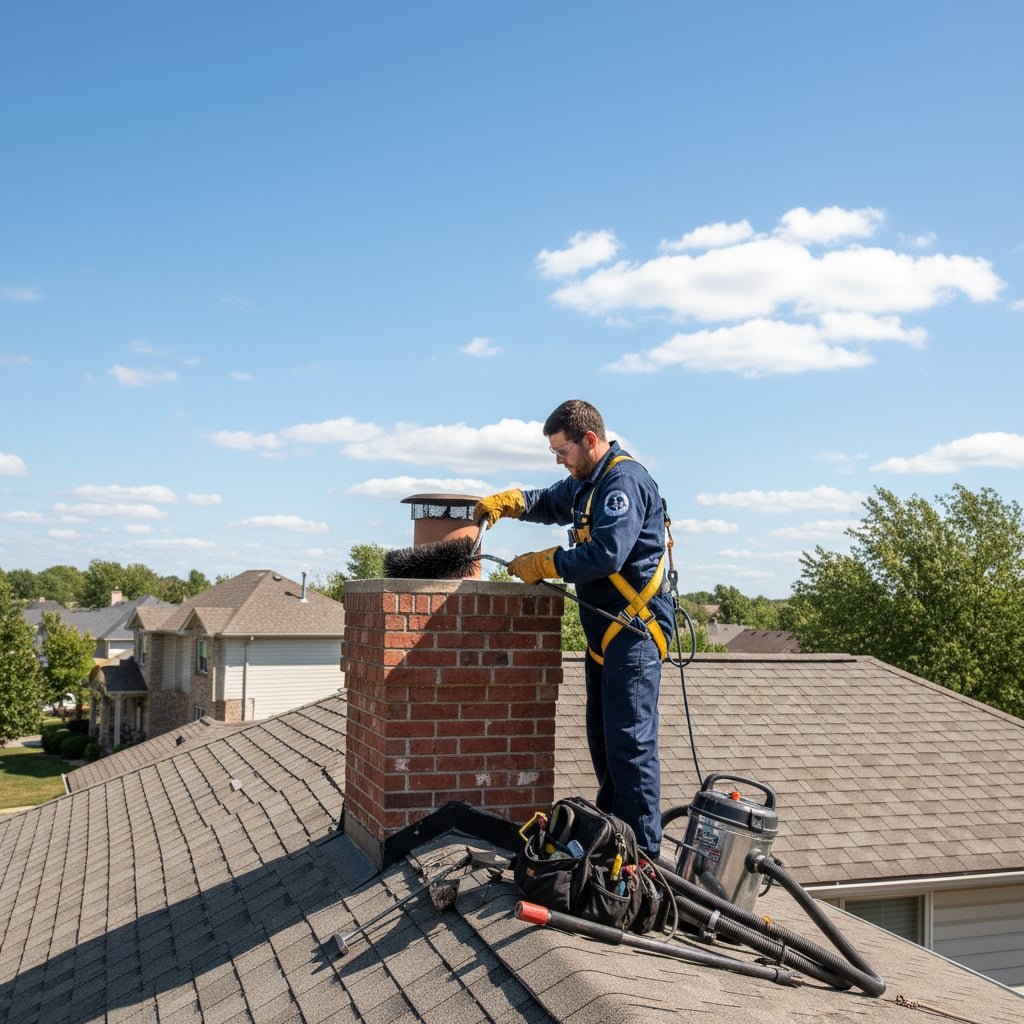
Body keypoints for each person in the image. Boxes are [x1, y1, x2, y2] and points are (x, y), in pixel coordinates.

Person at [475, 399, 673, 857]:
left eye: (562, 451)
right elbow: (550, 500)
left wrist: (548, 562)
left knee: (631, 747)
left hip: (634, 635)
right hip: (606, 637)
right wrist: (513, 503)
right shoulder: (587, 483)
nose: (559, 460)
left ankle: (643, 858)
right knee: (604, 745)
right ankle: (613, 841)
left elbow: (607, 553)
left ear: (589, 440)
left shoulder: (622, 482)